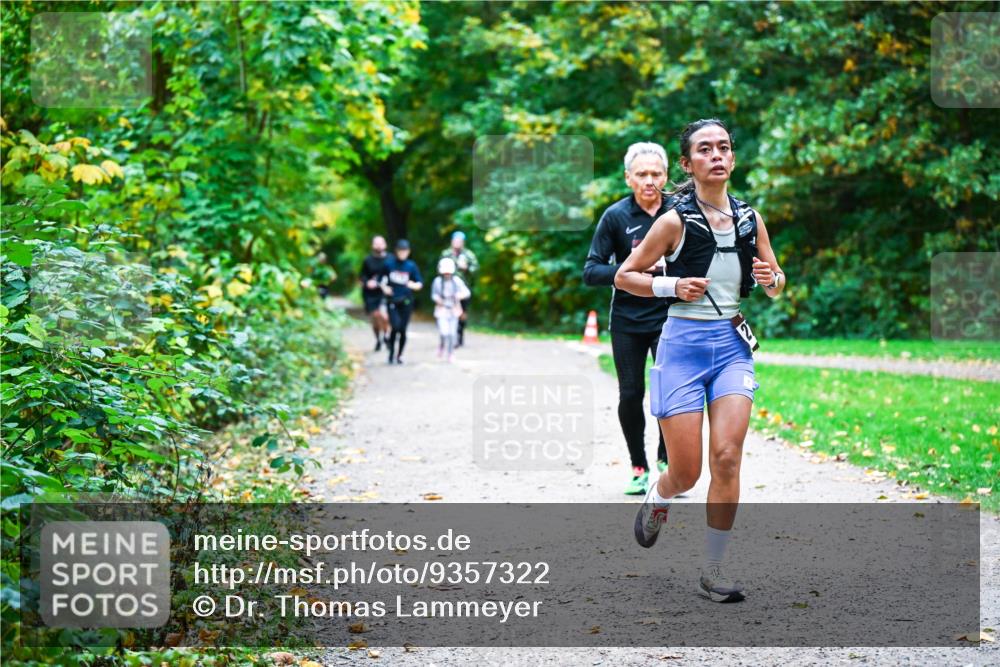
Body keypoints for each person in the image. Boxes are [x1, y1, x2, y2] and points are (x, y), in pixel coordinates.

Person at [615, 119, 785, 603]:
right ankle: (660, 495)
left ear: (732, 159)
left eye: (724, 148)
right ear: (687, 165)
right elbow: (625, 277)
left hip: (731, 348)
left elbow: (776, 283)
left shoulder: (751, 218)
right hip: (682, 347)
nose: (717, 155)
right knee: (686, 471)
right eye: (705, 149)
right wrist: (672, 286)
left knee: (727, 458)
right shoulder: (673, 220)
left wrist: (771, 278)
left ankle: (713, 569)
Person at [583, 142, 673, 495]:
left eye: (656, 174)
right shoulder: (616, 217)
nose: (649, 180)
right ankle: (639, 466)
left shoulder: (680, 211)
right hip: (628, 319)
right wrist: (634, 265)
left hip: (671, 316)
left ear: (667, 176)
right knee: (631, 393)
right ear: (628, 178)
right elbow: (591, 271)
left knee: (670, 393)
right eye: (642, 174)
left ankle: (667, 461)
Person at [380, 239, 423, 365]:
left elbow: (419, 283)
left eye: (405, 251)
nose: (402, 253)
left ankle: (399, 355)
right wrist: (385, 288)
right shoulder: (389, 264)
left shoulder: (411, 266)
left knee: (403, 329)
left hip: (406, 301)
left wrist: (413, 285)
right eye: (400, 251)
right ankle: (391, 353)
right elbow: (380, 280)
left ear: (408, 252)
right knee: (395, 327)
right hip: (392, 301)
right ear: (396, 251)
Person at [440, 231, 478, 347]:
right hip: (448, 288)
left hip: (464, 289)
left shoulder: (468, 255)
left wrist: (466, 268)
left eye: (459, 241)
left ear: (463, 242)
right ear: (452, 241)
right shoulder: (446, 253)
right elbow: (439, 268)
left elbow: (475, 269)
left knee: (462, 313)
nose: (457, 243)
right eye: (455, 240)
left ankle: (460, 334)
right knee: (451, 311)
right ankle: (452, 336)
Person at [431, 257, 471, 362]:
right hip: (442, 310)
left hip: (454, 310)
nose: (447, 275)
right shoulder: (437, 282)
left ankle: (451, 353)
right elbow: (434, 295)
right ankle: (442, 345)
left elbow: (467, 292)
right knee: (444, 332)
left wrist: (459, 295)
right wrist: (438, 299)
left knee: (452, 333)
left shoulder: (457, 281)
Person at [359, 236, 390, 351]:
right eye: (376, 244)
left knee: (385, 317)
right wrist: (368, 282)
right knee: (376, 317)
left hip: (385, 293)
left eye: (381, 243)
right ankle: (378, 339)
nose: (379, 246)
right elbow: (362, 276)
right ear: (373, 245)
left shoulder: (390, 259)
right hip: (371, 294)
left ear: (385, 245)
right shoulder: (367, 260)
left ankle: (386, 336)